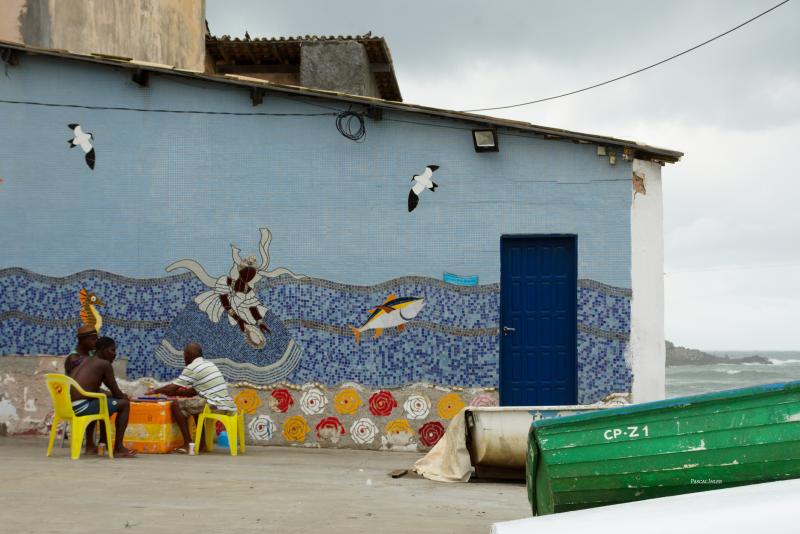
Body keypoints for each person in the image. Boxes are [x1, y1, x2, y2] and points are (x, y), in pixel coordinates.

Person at [147, 342, 237, 453]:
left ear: (188, 355)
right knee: (193, 406)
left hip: (215, 405)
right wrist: (175, 393)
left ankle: (187, 444)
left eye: (184, 355)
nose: (184, 358)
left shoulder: (192, 367)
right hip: (226, 405)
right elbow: (191, 392)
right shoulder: (209, 364)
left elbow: (171, 389)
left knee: (175, 405)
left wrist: (155, 391)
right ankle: (201, 444)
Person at [70, 336, 137, 458]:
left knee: (104, 402)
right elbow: (116, 392)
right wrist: (124, 397)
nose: (114, 354)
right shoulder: (104, 364)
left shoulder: (86, 360)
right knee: (124, 404)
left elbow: (90, 389)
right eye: (112, 350)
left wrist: (112, 395)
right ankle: (119, 448)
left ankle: (92, 445)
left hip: (72, 406)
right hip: (83, 406)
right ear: (102, 349)